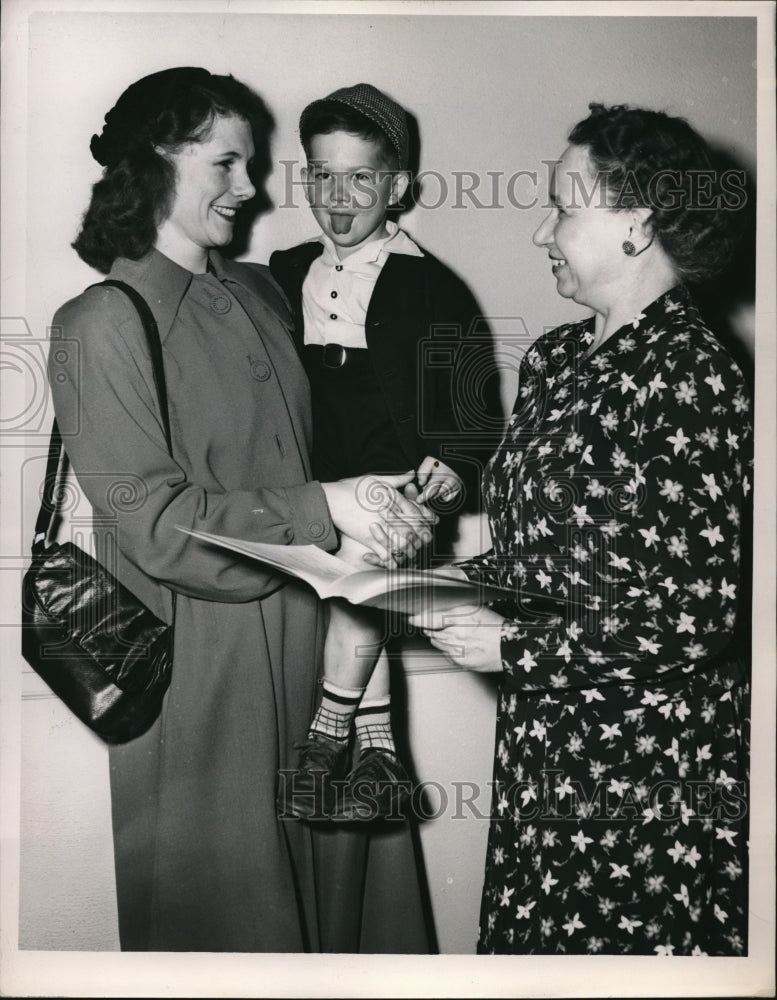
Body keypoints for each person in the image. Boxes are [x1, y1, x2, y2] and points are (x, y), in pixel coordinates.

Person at [48, 66, 437, 952]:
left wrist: (391, 488)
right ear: (158, 161)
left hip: (324, 662)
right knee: (236, 927)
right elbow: (153, 525)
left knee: (346, 926)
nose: (251, 187)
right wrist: (325, 504)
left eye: (252, 165)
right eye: (226, 163)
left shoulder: (265, 292)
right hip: (204, 681)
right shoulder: (94, 324)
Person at [409, 103, 752, 955]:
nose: (540, 231)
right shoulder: (556, 359)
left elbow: (696, 614)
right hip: (545, 747)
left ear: (636, 224)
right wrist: (434, 578)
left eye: (563, 205)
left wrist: (512, 650)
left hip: (644, 768)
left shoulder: (693, 374)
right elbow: (548, 559)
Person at [270, 83, 486, 822]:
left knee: (361, 583)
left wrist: (453, 469)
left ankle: (325, 739)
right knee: (352, 587)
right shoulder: (286, 269)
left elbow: (471, 409)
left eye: (359, 176)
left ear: (395, 187)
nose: (337, 195)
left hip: (397, 481)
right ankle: (379, 755)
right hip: (319, 481)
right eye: (320, 175)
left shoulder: (430, 285)